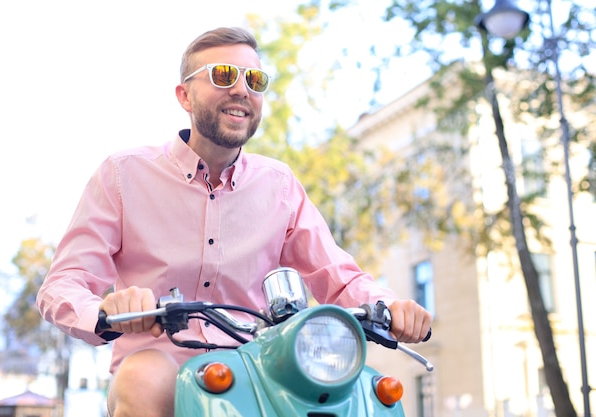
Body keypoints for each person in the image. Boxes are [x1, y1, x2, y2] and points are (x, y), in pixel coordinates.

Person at [37, 26, 432, 417]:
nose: (242, 90)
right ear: (184, 96)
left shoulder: (279, 185)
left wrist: (388, 306)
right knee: (145, 376)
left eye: (255, 80)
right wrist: (107, 313)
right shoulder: (122, 175)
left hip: (259, 369)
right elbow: (62, 284)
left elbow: (338, 275)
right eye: (223, 75)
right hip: (161, 368)